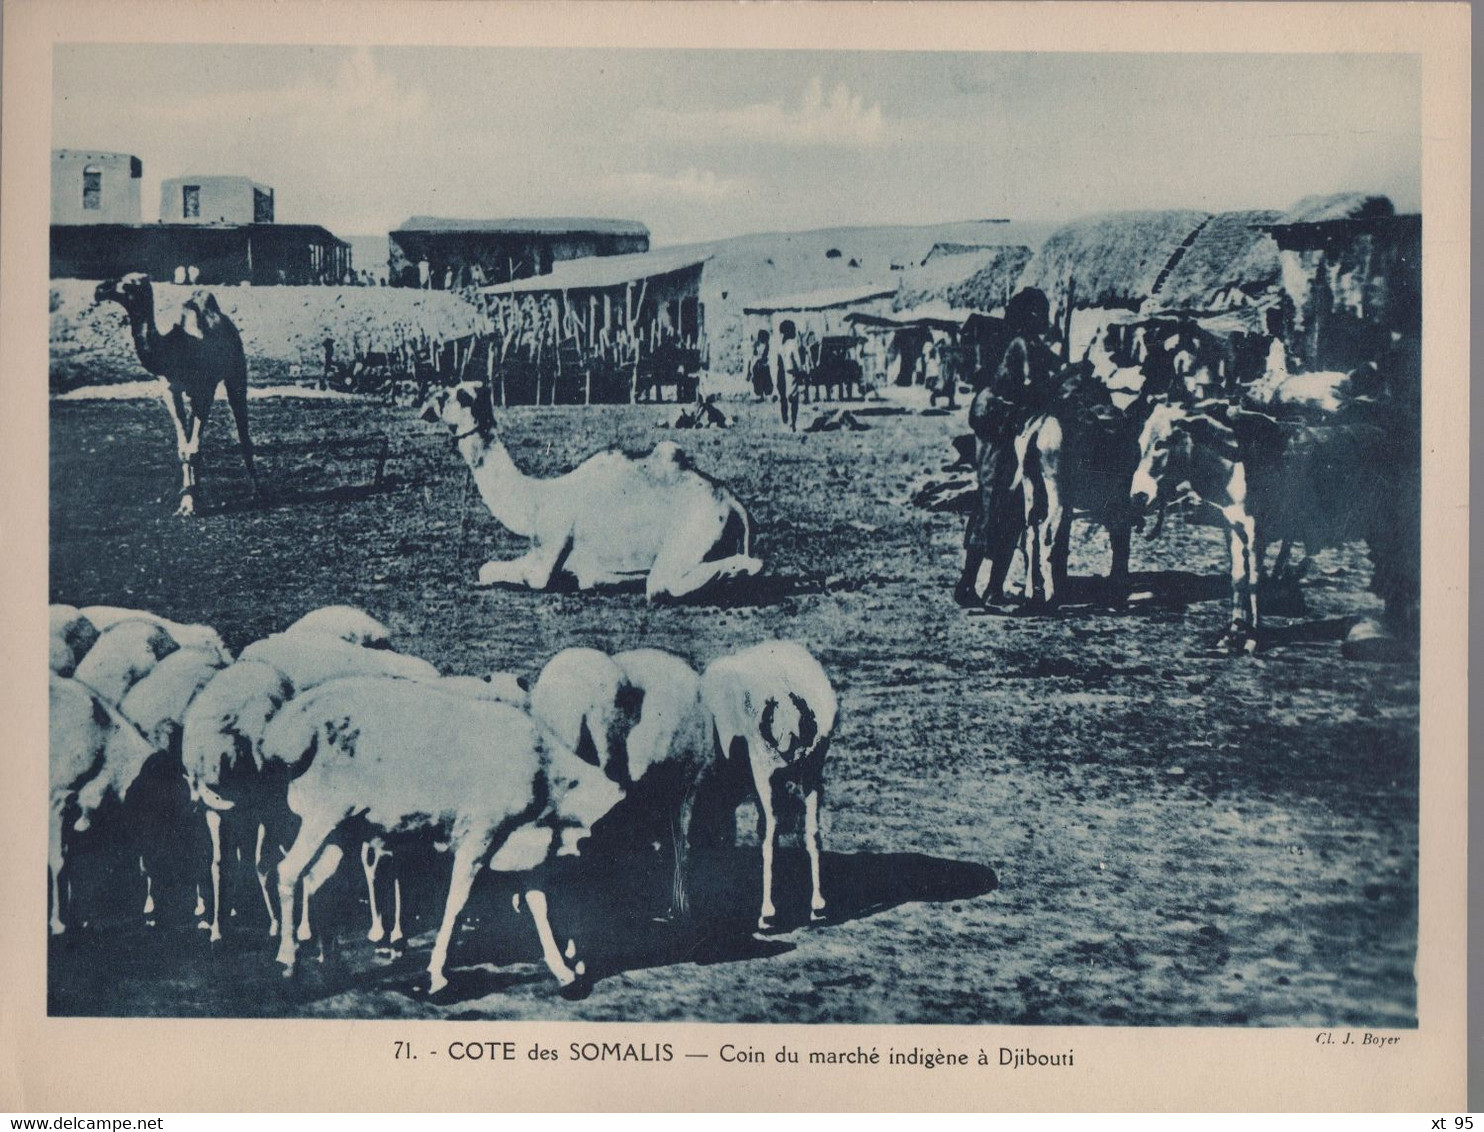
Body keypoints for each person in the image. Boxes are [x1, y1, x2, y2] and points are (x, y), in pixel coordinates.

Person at [956, 287, 1059, 607]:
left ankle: (985, 588)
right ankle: (978, 587)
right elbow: (1031, 385)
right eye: (1041, 313)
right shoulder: (1019, 344)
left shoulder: (1025, 343)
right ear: (1029, 316)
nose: (1045, 319)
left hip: (1003, 423)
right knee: (996, 506)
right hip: (997, 425)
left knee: (1005, 510)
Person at [776, 320, 806, 431]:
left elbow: (779, 362)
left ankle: (785, 420)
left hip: (781, 374)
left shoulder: (781, 345)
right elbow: (797, 361)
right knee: (794, 399)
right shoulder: (793, 344)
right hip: (791, 374)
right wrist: (802, 372)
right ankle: (792, 423)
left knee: (783, 398)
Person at [750, 329, 774, 400]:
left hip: (763, 365)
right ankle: (761, 395)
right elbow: (754, 355)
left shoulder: (766, 346)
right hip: (759, 365)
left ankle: (764, 395)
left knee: (764, 380)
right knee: (759, 381)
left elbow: (766, 356)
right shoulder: (758, 345)